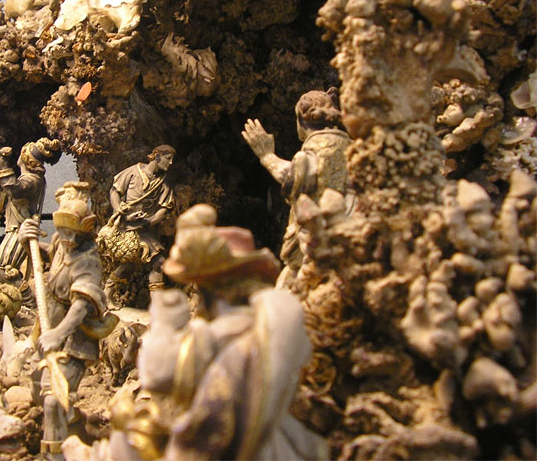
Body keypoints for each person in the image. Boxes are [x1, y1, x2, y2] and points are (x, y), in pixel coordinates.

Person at [73, 205, 326, 461]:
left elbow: (157, 373)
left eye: (197, 286)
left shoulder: (215, 336)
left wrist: (165, 324)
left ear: (209, 289)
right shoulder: (273, 323)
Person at [18, 182, 113, 458]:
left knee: (54, 400)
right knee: (39, 386)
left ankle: (55, 453)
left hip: (73, 339)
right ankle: (74, 428)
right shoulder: (61, 241)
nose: (68, 240)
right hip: (50, 324)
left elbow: (81, 306)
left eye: (75, 234)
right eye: (63, 232)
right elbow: (50, 259)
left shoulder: (87, 259)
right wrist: (27, 241)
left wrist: (58, 334)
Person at [242, 88, 354, 275]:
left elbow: (294, 177)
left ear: (302, 118)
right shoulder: (350, 144)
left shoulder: (319, 144)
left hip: (319, 238)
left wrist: (267, 155)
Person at [101, 145, 175, 302]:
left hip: (146, 229)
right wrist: (119, 208)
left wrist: (148, 221)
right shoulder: (133, 172)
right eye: (168, 159)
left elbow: (163, 210)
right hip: (126, 227)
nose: (171, 163)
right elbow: (115, 192)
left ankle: (157, 304)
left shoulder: (163, 183)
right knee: (130, 264)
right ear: (157, 157)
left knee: (156, 262)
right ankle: (107, 293)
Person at [0, 138, 61, 282]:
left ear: (25, 158)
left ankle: (26, 295)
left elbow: (15, 190)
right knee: (4, 271)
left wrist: (3, 166)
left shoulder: (30, 180)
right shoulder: (31, 178)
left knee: (3, 271)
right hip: (16, 229)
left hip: (20, 230)